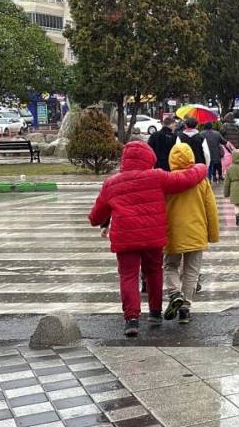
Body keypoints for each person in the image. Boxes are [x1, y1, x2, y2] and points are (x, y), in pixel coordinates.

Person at [88, 141, 207, 337]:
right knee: (153, 272)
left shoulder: (111, 183)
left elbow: (97, 215)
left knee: (128, 276)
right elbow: (186, 179)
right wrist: (201, 166)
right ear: (149, 158)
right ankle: (154, 313)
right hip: (153, 237)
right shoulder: (157, 176)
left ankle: (131, 319)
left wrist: (95, 220)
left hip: (125, 238)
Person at [162, 143, 219, 324]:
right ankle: (185, 309)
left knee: (170, 266)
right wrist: (213, 234)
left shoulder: (166, 181)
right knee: (191, 272)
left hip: (172, 232)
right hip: (196, 231)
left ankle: (174, 293)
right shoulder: (202, 181)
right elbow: (211, 209)